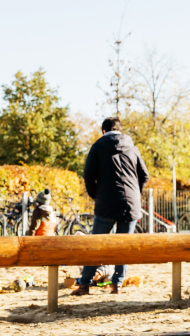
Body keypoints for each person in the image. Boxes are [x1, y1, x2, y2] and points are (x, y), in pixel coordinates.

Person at [73, 117, 149, 296]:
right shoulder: (133, 147)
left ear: (104, 131)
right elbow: (144, 175)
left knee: (96, 244)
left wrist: (96, 196)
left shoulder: (98, 147)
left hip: (106, 203)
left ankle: (85, 285)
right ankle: (117, 285)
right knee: (124, 246)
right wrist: (134, 194)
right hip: (130, 204)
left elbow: (88, 176)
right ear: (120, 130)